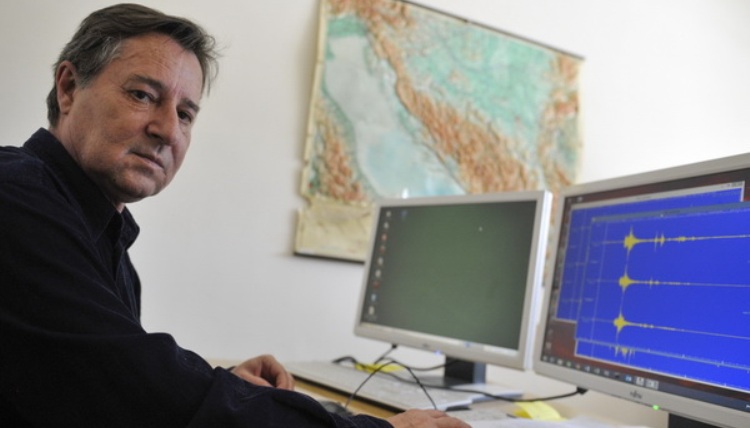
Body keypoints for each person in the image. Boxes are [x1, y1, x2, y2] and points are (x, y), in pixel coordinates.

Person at [0, 4, 471, 428]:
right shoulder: (16, 196)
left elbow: (107, 383)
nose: (167, 130)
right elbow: (145, 393)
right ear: (68, 88)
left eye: (186, 114)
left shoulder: (102, 233)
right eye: (142, 95)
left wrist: (227, 385)